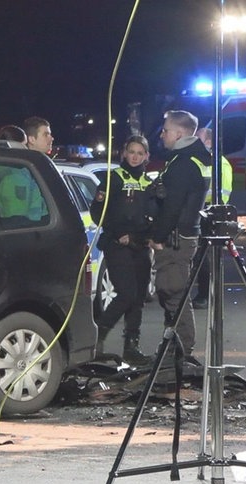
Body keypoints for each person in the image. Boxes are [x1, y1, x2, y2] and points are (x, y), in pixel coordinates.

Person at [147, 110, 212, 361]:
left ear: (180, 133)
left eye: (165, 130)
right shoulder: (192, 158)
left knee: (172, 291)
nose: (162, 134)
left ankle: (181, 349)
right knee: (173, 292)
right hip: (185, 234)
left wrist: (158, 237)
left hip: (176, 237)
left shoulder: (183, 163)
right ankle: (173, 346)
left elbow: (173, 206)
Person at [90, 135, 155, 364]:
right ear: (124, 153)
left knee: (137, 299)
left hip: (141, 246)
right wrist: (119, 234)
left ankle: (131, 347)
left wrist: (147, 237)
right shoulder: (112, 179)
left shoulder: (150, 183)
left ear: (146, 156)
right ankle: (97, 340)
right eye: (132, 151)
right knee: (126, 294)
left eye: (140, 153)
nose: (135, 157)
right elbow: (98, 213)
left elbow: (155, 217)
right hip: (117, 245)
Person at [191, 126, 234, 309]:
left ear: (209, 142)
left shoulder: (218, 163)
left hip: (211, 214)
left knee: (204, 257)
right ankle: (204, 294)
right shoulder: (211, 161)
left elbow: (218, 193)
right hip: (204, 212)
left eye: (198, 140)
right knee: (201, 257)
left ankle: (204, 296)